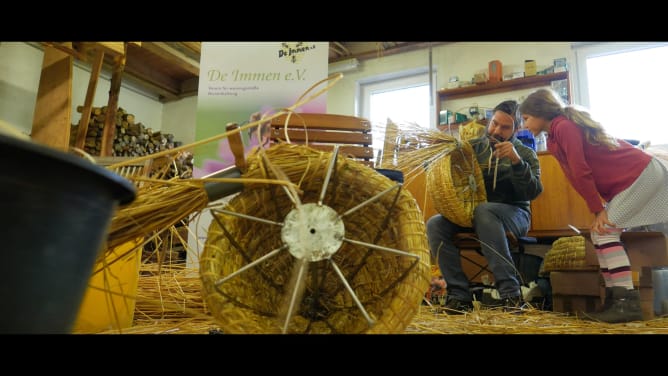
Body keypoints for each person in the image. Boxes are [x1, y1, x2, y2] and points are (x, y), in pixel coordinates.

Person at [519, 88, 668, 323]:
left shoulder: (563, 126)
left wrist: (598, 209)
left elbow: (581, 170)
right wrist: (599, 207)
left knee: (606, 232)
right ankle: (614, 299)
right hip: (634, 176)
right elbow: (576, 176)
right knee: (601, 235)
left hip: (641, 173)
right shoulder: (554, 135)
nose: (524, 125)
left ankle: (626, 302)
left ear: (539, 113)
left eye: (526, 118)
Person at [426, 100, 543, 314]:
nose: (496, 130)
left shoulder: (524, 153)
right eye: (494, 124)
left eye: (505, 127)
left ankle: (511, 294)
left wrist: (517, 162)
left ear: (516, 129)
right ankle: (459, 295)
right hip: (473, 213)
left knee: (484, 210)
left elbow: (533, 192)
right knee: (435, 224)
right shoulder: (473, 148)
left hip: (514, 213)